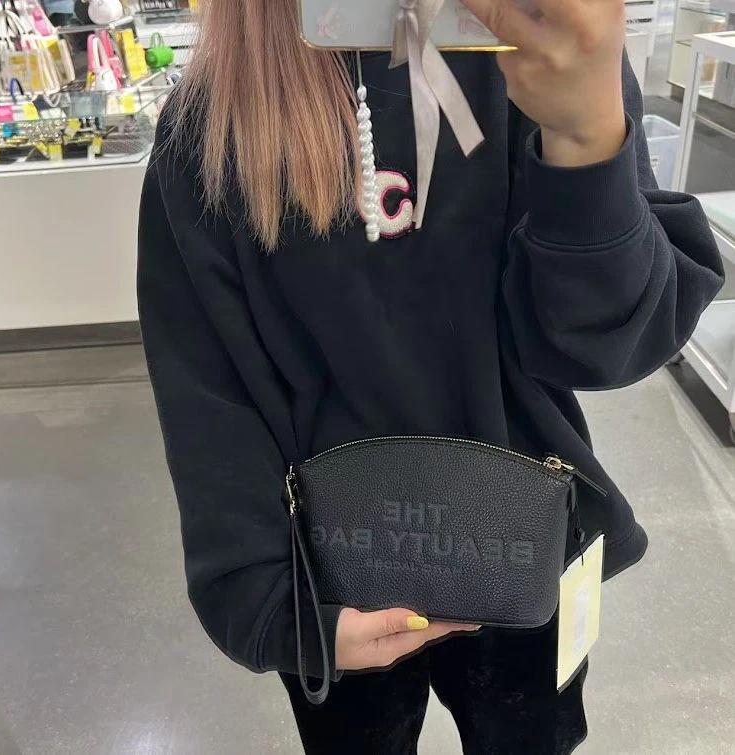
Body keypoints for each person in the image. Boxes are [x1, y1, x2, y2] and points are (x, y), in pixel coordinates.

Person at [137, 0, 724, 752]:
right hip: (332, 571)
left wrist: (584, 141)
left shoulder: (536, 55)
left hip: (522, 545)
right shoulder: (211, 124)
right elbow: (207, 386)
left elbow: (608, 345)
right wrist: (270, 605)